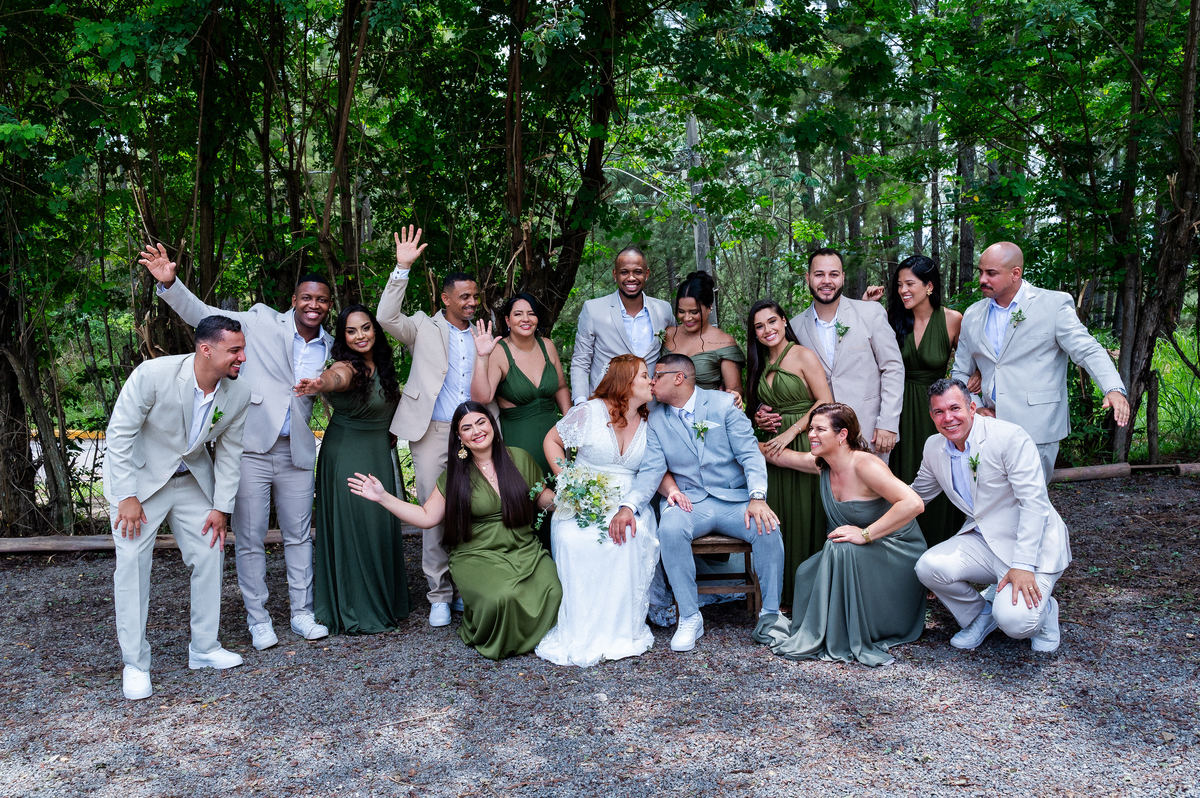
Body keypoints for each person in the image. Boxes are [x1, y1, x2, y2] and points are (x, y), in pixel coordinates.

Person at [141, 243, 334, 650]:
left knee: (300, 536)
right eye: (306, 298)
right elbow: (203, 317)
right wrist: (170, 284)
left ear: (328, 305)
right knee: (249, 538)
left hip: (297, 450)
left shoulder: (330, 346)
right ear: (294, 300)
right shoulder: (261, 321)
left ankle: (302, 613)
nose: (313, 305)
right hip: (251, 448)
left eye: (321, 300)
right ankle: (258, 620)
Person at [104, 316, 251, 700]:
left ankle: (204, 648)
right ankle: (135, 664)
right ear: (206, 350)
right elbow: (119, 433)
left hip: (191, 481)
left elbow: (231, 452)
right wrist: (126, 495)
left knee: (210, 552)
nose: (242, 357)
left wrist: (221, 507)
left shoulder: (238, 392)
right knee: (132, 566)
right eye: (235, 350)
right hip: (139, 482)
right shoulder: (154, 375)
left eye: (242, 349)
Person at [347, 402, 560, 660]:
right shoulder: (455, 475)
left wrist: (575, 501)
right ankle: (506, 636)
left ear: (492, 425)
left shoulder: (519, 458)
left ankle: (542, 635)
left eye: (481, 422)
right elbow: (427, 517)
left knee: (554, 589)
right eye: (467, 428)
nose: (476, 431)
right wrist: (383, 497)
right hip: (478, 555)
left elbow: (542, 498)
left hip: (523, 548)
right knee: (501, 598)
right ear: (460, 438)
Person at [609, 353, 785, 653]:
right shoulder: (656, 418)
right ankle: (690, 617)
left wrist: (757, 496)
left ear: (679, 378)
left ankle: (770, 614)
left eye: (658, 375)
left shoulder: (723, 405)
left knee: (767, 527)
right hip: (690, 502)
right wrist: (629, 506)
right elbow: (652, 470)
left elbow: (750, 454)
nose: (652, 382)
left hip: (733, 498)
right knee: (670, 528)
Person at [759, 402, 927, 666]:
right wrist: (736, 438)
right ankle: (829, 629)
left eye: (820, 429)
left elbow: (914, 503)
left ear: (842, 434)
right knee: (806, 571)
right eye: (811, 429)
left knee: (841, 547)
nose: (811, 434)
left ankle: (862, 628)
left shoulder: (865, 465)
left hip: (896, 550)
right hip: (860, 551)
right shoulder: (822, 465)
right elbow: (778, 456)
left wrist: (865, 534)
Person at [911, 378, 1072, 653]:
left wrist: (1023, 565)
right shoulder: (933, 447)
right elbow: (916, 496)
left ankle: (1045, 614)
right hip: (984, 539)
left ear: (972, 408)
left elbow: (1034, 504)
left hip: (1031, 546)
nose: (948, 418)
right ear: (932, 416)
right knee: (928, 567)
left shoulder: (1009, 437)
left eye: (955, 408)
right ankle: (980, 615)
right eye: (939, 412)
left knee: (1016, 622)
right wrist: (869, 521)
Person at [952, 241, 1129, 481]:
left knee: (1031, 499)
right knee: (986, 496)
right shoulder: (973, 314)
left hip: (1036, 426)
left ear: (1015, 273)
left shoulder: (1052, 305)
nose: (982, 279)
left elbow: (1087, 350)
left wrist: (1113, 388)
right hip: (987, 426)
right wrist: (974, 408)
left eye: (991, 273)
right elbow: (961, 372)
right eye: (980, 272)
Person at [376, 226, 477, 628]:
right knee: (432, 513)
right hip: (433, 430)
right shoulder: (423, 326)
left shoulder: (484, 335)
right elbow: (386, 317)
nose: (471, 302)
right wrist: (402, 268)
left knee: (473, 509)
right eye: (464, 296)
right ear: (446, 298)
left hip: (476, 434)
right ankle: (439, 593)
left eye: (474, 296)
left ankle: (467, 587)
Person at [535, 355, 661, 666]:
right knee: (577, 539)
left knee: (628, 539)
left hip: (628, 500)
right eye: (644, 375)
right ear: (625, 382)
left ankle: (621, 629)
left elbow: (657, 469)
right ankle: (582, 628)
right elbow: (551, 441)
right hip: (584, 498)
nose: (651, 381)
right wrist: (568, 480)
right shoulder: (589, 412)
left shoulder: (651, 421)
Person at [294, 305, 409, 633]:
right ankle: (358, 608)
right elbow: (337, 378)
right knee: (359, 527)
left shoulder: (382, 365)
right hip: (349, 455)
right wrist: (321, 383)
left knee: (377, 525)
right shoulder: (345, 367)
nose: (360, 336)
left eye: (366, 328)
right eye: (351, 331)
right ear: (342, 337)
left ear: (375, 330)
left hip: (377, 454)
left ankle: (384, 600)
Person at [761, 248, 904, 462]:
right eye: (819, 274)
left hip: (869, 430)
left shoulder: (870, 313)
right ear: (808, 278)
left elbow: (892, 367)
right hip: (817, 439)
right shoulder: (794, 327)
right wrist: (762, 408)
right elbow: (780, 373)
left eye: (833, 274)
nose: (826, 281)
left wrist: (888, 423)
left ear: (843, 277)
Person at [871, 255, 965, 546]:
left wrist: (977, 376)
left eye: (909, 284)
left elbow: (971, 360)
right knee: (900, 477)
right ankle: (901, 551)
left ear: (929, 286)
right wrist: (867, 307)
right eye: (899, 285)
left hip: (936, 412)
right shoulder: (890, 318)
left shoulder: (952, 319)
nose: (902, 290)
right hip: (897, 410)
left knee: (940, 472)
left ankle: (942, 548)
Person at [746, 299, 832, 603]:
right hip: (772, 448)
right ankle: (778, 594)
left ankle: (807, 594)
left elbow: (825, 400)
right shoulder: (759, 362)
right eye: (759, 326)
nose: (767, 330)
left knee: (805, 514)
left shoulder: (802, 355)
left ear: (784, 321)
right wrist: (759, 416)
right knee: (779, 516)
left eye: (772, 321)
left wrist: (793, 431)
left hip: (802, 440)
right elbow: (757, 405)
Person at [470, 291, 571, 475]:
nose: (526, 319)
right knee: (527, 488)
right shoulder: (500, 352)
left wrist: (569, 420)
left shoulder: (547, 345)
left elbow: (561, 387)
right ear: (508, 321)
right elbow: (481, 398)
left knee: (562, 487)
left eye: (531, 313)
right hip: (520, 440)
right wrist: (482, 357)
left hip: (554, 435)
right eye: (518, 314)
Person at [570, 246, 674, 404]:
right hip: (607, 404)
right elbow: (581, 361)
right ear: (615, 274)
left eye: (637, 272)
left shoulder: (663, 310)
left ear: (647, 274)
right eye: (624, 272)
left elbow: (674, 352)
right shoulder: (593, 309)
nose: (631, 278)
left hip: (651, 406)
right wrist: (581, 403)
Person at [659, 271, 744, 402]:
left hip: (706, 411)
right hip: (664, 410)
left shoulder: (724, 342)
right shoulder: (668, 335)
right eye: (681, 311)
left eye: (694, 312)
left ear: (709, 307)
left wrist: (735, 396)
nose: (687, 318)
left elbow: (734, 391)